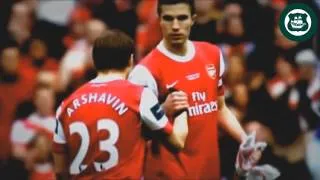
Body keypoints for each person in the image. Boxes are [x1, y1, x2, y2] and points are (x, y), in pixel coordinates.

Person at [129, 0, 265, 179]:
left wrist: (244, 141)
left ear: (193, 20)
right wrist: (163, 110)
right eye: (168, 19)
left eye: (182, 18)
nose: (175, 26)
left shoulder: (212, 54)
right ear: (159, 21)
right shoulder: (145, 71)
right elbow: (133, 134)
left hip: (208, 170)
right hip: (167, 173)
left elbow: (219, 108)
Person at [52, 30, 189, 179]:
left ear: (95, 61)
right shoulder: (139, 95)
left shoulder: (66, 105)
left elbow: (60, 171)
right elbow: (177, 142)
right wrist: (181, 107)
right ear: (130, 60)